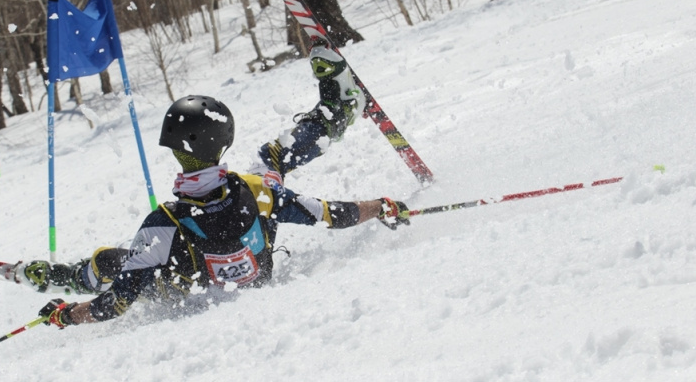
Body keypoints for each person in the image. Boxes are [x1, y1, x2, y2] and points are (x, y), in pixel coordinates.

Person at [24, 45, 410, 328]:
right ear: (222, 144)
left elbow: (115, 304)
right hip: (257, 277)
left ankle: (66, 278)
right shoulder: (259, 192)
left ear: (176, 151)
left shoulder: (162, 225)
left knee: (112, 261)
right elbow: (332, 215)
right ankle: (337, 113)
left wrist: (67, 316)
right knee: (272, 156)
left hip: (185, 292)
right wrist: (381, 206)